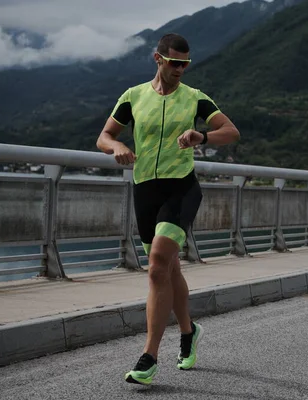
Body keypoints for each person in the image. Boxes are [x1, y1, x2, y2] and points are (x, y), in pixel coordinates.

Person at [96, 33, 240, 385]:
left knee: (158, 265)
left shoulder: (195, 99)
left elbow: (231, 131)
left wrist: (201, 137)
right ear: (157, 59)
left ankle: (148, 357)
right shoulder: (133, 97)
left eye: (185, 64)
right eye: (174, 62)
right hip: (145, 190)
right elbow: (104, 136)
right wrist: (115, 147)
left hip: (181, 188)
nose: (180, 69)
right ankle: (189, 333)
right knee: (168, 270)